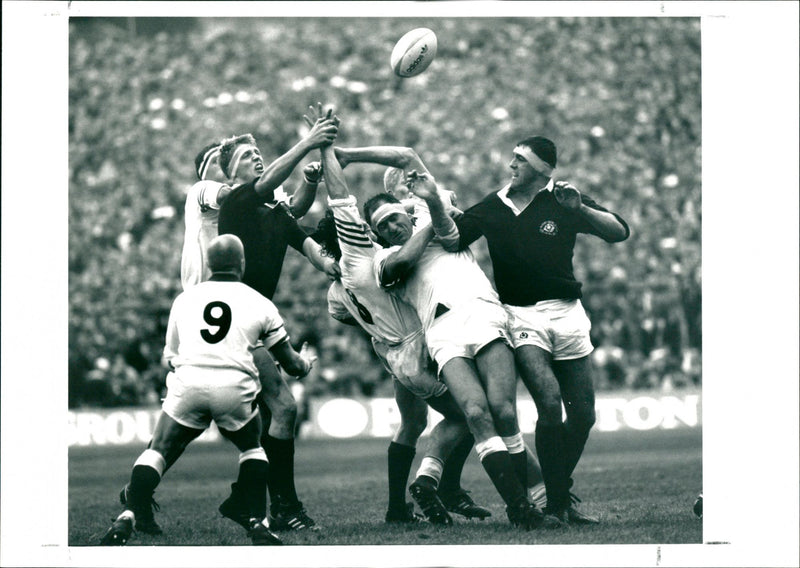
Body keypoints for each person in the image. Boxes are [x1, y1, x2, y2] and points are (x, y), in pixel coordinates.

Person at [118, 136, 329, 533]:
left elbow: (285, 212)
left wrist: (304, 185)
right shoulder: (206, 192)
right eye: (219, 160)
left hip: (232, 311)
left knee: (188, 427)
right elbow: (254, 195)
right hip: (208, 311)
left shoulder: (244, 203)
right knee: (272, 411)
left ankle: (140, 496)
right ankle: (270, 503)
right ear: (210, 170)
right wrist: (285, 163)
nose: (226, 166)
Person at [307, 123, 491, 525]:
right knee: (467, 413)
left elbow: (343, 315)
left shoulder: (337, 289)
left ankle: (396, 508)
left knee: (412, 423)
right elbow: (343, 202)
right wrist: (329, 152)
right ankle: (439, 485)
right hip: (417, 345)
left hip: (391, 352)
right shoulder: (363, 257)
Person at [442, 135, 630, 524]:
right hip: (521, 316)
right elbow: (454, 238)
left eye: (520, 160)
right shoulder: (494, 206)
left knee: (583, 416)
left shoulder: (563, 200)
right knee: (548, 402)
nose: (511, 165)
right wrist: (434, 204)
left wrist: (582, 210)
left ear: (541, 170)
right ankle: (557, 501)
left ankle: (558, 494)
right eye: (512, 157)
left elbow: (618, 231)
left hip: (568, 313)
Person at [365, 173, 555, 530]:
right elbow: (401, 263)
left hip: (483, 311)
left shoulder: (440, 223)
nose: (391, 226)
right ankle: (521, 509)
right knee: (475, 412)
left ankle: (544, 500)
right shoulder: (384, 260)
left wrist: (429, 206)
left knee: (503, 411)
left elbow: (444, 200)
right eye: (382, 225)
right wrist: (429, 218)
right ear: (377, 234)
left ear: (404, 213)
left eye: (394, 217)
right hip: (443, 331)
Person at [100, 235, 316, 546]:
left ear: (209, 265)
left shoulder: (184, 299)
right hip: (234, 388)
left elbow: (171, 354)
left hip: (189, 381)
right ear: (242, 264)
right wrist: (306, 364)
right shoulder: (259, 302)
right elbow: (291, 364)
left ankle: (129, 513)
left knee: (158, 450)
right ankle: (254, 519)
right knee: (252, 448)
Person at [216, 110, 340, 531]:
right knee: (282, 409)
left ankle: (249, 499)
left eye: (258, 152)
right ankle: (279, 507)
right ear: (233, 178)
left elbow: (304, 240)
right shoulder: (237, 201)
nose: (257, 157)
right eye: (247, 156)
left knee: (272, 415)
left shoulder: (273, 211)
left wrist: (331, 265)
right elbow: (267, 184)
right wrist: (308, 141)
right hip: (235, 317)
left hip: (253, 318)